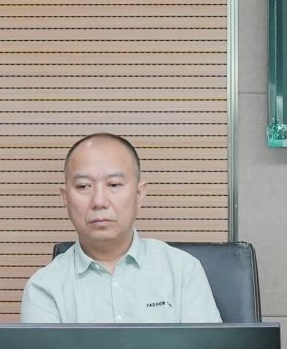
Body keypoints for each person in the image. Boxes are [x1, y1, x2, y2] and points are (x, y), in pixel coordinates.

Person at [21, 133, 223, 324]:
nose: (99, 201)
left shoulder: (182, 271)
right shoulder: (44, 287)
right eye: (83, 186)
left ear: (139, 194)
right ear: (65, 197)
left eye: (114, 184)